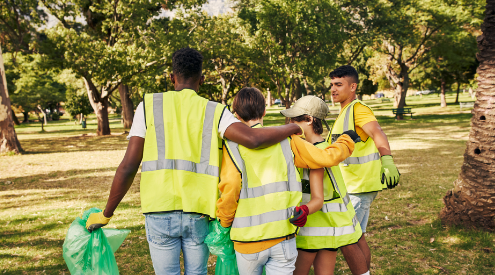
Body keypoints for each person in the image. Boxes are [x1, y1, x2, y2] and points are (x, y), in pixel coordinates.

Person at [84, 47, 304, 275]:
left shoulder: (148, 106)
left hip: (159, 210)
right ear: (202, 79)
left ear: (172, 77)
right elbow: (253, 138)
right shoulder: (215, 111)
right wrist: (293, 126)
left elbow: (128, 166)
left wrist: (106, 214)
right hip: (198, 213)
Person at [217, 88, 357, 275]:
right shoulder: (287, 140)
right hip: (283, 236)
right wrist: (347, 140)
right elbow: (325, 158)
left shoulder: (231, 145)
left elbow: (231, 187)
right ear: (264, 111)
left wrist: (224, 222)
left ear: (236, 114)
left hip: (247, 240)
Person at [281, 96, 370, 275]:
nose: (290, 124)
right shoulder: (324, 148)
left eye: (294, 119)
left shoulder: (314, 154)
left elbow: (317, 198)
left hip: (311, 229)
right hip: (331, 231)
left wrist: (304, 211)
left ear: (309, 120)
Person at [329, 65, 401, 270]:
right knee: (354, 237)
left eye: (339, 84)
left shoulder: (358, 109)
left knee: (350, 239)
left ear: (353, 87)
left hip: (359, 186)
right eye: (332, 84)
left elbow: (377, 133)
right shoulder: (344, 112)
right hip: (351, 185)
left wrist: (387, 160)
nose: (333, 89)